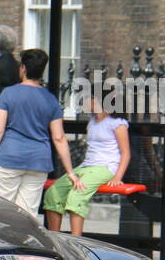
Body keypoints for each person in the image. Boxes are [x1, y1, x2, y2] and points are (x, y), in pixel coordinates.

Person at [0, 47, 80, 217]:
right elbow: (59, 138)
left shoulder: (8, 94)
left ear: (23, 68)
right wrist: (70, 172)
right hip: (38, 161)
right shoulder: (50, 99)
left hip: (10, 157)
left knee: (1, 211)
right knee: (28, 214)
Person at [43, 98, 130, 235]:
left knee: (77, 195)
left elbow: (125, 153)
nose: (87, 101)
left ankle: (76, 242)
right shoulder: (92, 122)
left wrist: (117, 177)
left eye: (92, 98)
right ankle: (55, 239)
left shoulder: (117, 123)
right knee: (53, 193)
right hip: (86, 166)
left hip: (105, 167)